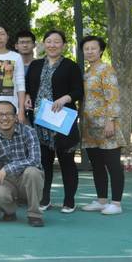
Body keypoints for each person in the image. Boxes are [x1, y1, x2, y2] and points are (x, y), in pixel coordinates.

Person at [25, 29, 83, 212]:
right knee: (44, 163)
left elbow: (78, 91)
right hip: (40, 122)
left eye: (57, 42)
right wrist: (27, 96)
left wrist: (65, 98)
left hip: (62, 121)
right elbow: (27, 86)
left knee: (67, 162)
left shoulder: (71, 66)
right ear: (44, 44)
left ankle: (69, 200)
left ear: (63, 45)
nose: (52, 45)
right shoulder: (35, 65)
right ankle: (45, 199)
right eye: (49, 41)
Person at [79, 35, 126, 215]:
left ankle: (116, 203)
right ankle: (101, 200)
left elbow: (113, 97)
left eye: (93, 48)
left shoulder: (106, 69)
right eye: (86, 49)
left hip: (106, 125)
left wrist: (111, 121)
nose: (89, 51)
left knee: (113, 164)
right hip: (90, 128)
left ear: (100, 51)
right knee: (97, 165)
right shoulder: (87, 72)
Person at [0, 101, 45, 227]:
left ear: (16, 117)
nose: (4, 118)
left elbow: (35, 160)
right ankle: (9, 211)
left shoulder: (28, 132)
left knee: (33, 172)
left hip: (26, 177)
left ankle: (34, 214)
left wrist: (8, 168)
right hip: (6, 180)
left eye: (8, 114)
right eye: (0, 114)